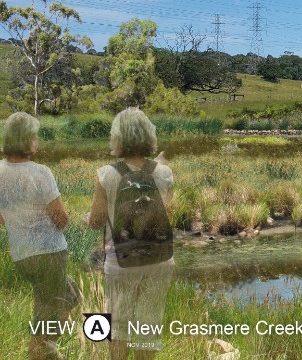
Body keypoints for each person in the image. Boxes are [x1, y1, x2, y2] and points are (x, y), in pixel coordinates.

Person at [85, 108, 174, 360]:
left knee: (118, 328)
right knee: (149, 327)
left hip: (121, 261)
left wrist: (87, 220)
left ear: (118, 139)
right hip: (159, 259)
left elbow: (96, 221)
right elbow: (166, 212)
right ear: (149, 136)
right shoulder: (164, 173)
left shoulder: (106, 174)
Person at [0, 112, 79, 360]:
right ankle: (42, 351)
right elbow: (60, 219)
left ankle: (48, 349)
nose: (37, 139)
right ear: (25, 140)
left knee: (71, 295)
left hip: (22, 255)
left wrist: (19, 221)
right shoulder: (41, 172)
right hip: (49, 255)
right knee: (46, 316)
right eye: (34, 135)